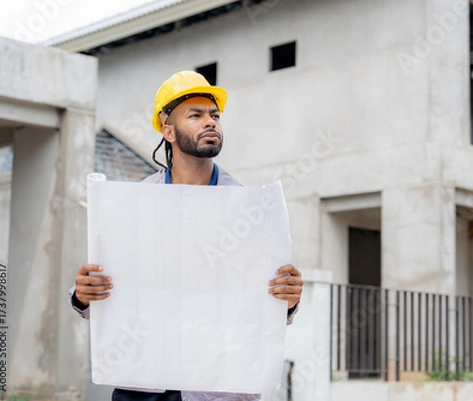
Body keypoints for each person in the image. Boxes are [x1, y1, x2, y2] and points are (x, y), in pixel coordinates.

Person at [70, 71, 303, 401]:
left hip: (216, 388)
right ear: (168, 131)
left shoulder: (249, 209)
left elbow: (261, 301)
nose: (210, 122)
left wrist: (289, 301)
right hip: (143, 385)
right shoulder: (135, 203)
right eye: (196, 115)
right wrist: (82, 293)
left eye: (214, 115)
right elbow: (106, 294)